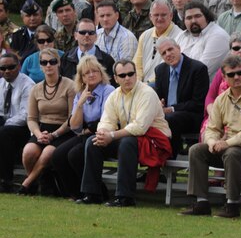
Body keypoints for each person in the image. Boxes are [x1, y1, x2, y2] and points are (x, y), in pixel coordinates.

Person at [181, 55, 241, 218]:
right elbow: (212, 127)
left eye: (240, 73)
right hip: (228, 144)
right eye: (231, 74)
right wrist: (212, 142)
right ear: (224, 77)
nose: (236, 77)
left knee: (232, 153)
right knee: (196, 150)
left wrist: (226, 143)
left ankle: (232, 205)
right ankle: (201, 202)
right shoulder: (222, 99)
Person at [77, 59, 171, 207]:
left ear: (136, 75)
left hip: (154, 141)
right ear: (116, 78)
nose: (127, 78)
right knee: (93, 141)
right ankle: (92, 194)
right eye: (122, 75)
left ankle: (125, 197)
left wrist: (112, 136)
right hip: (131, 138)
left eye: (130, 74)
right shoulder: (114, 95)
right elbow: (107, 121)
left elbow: (140, 127)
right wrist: (102, 133)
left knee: (127, 143)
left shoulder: (147, 93)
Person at [52, 56, 115, 199]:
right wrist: (80, 103)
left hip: (102, 133)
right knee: (57, 155)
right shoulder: (80, 94)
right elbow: (74, 126)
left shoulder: (108, 90)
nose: (92, 75)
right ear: (82, 77)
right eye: (87, 73)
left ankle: (98, 192)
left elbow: (107, 119)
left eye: (95, 71)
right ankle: (76, 193)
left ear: (101, 73)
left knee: (75, 154)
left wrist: (87, 129)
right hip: (83, 134)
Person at [18, 47, 77, 194]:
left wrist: (54, 135)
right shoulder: (36, 88)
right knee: (28, 152)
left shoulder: (70, 86)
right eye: (44, 62)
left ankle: (27, 183)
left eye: (52, 61)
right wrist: (38, 134)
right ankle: (44, 180)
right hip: (42, 129)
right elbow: (31, 118)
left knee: (47, 154)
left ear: (59, 63)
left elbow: (72, 118)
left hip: (63, 130)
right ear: (40, 66)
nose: (48, 65)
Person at [201, 31, 241, 137]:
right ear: (230, 51)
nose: (240, 51)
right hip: (217, 113)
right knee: (207, 135)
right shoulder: (223, 69)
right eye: (236, 48)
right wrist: (214, 114)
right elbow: (210, 96)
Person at [153, 37, 210, 155]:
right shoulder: (160, 70)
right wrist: (159, 103)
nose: (168, 54)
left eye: (170, 49)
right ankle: (151, 161)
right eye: (164, 53)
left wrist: (172, 109)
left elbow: (198, 103)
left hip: (192, 116)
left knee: (170, 118)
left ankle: (167, 160)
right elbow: (159, 97)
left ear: (178, 48)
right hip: (166, 115)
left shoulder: (198, 68)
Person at [0, 53, 33, 192]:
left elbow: (25, 115)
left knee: (4, 133)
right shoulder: (1, 83)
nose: (7, 71)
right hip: (5, 124)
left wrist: (5, 123)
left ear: (19, 66)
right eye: (3, 68)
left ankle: (5, 180)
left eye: (11, 67)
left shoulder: (28, 84)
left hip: (23, 128)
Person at [135, 0, 185, 84]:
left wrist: (145, 85)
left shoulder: (179, 36)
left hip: (164, 83)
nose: (159, 18)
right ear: (150, 16)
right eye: (156, 15)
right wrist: (137, 82)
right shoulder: (145, 35)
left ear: (171, 16)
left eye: (163, 15)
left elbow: (169, 68)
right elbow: (137, 65)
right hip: (142, 85)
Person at [179, 2, 231, 75]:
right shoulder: (182, 36)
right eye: (189, 18)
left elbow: (201, 71)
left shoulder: (218, 36)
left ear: (206, 17)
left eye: (197, 16)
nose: (193, 21)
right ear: (184, 21)